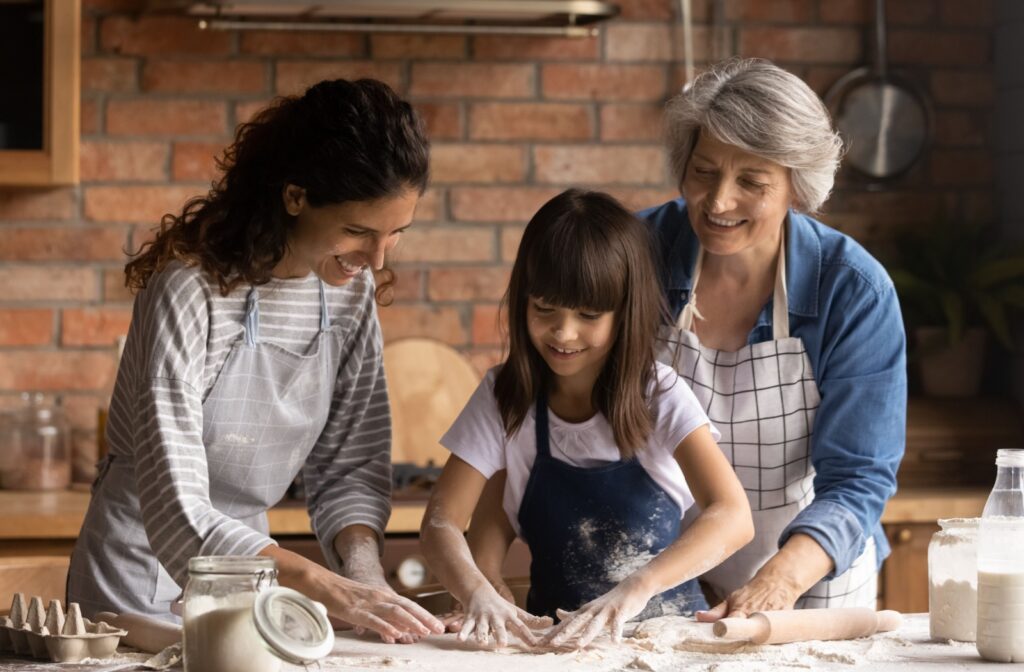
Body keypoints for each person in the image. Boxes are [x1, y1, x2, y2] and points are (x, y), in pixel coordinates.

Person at [67, 78, 444, 644]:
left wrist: (364, 577)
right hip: (136, 585)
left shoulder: (349, 293)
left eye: (396, 235)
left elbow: (348, 465)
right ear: (295, 197)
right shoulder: (189, 291)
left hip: (252, 584)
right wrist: (327, 587)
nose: (375, 258)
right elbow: (177, 506)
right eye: (358, 232)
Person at [420, 189, 754, 649]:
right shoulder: (505, 397)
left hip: (666, 642)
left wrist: (634, 589)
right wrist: (478, 588)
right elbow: (441, 524)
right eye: (544, 309)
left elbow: (733, 517)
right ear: (522, 302)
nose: (563, 332)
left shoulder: (660, 395)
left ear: (625, 314)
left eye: (589, 315)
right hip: (555, 648)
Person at [643, 58, 906, 620]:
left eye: (752, 182)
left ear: (797, 185)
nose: (718, 202)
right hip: (662, 560)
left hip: (808, 569)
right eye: (704, 172)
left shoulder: (851, 290)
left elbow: (858, 477)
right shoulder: (637, 253)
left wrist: (779, 582)